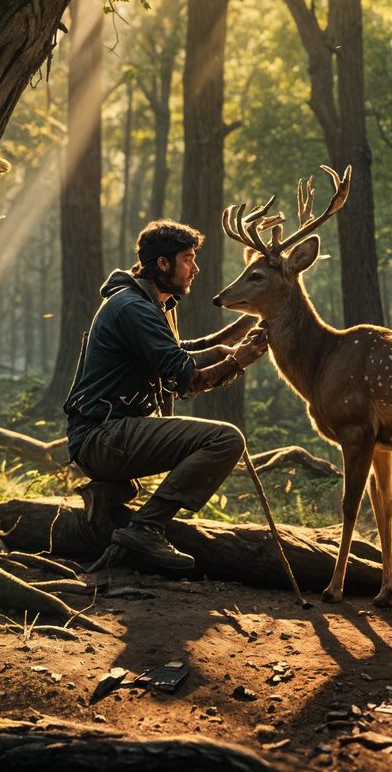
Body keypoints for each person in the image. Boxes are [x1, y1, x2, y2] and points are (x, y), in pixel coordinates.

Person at [63, 219, 269, 573]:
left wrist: (240, 330)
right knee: (225, 439)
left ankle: (111, 499)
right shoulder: (134, 309)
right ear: (163, 263)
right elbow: (186, 379)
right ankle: (146, 529)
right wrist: (238, 361)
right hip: (103, 437)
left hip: (107, 435)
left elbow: (175, 352)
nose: (195, 268)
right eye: (188, 259)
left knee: (217, 435)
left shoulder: (149, 303)